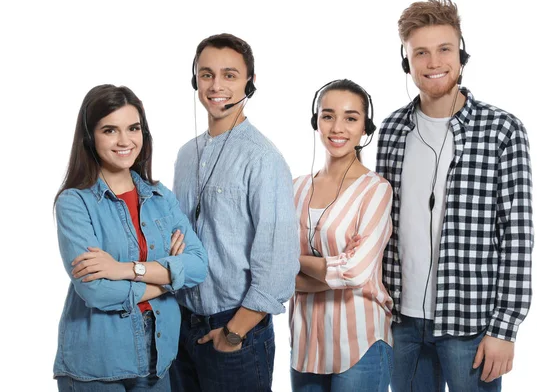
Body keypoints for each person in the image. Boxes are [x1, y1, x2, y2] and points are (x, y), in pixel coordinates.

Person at [376, 0, 534, 391]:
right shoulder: (393, 129)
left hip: (470, 324)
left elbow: (517, 236)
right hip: (401, 323)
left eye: (444, 49)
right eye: (421, 53)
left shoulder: (502, 130)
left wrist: (505, 328)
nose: (433, 63)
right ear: (406, 62)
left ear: (461, 54)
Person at [53, 84, 208, 391]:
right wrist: (168, 278)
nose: (125, 141)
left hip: (157, 359)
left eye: (133, 128)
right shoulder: (74, 203)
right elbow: (96, 290)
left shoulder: (161, 197)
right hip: (96, 363)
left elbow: (198, 265)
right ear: (90, 137)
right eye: (110, 130)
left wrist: (124, 269)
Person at [170, 33, 300, 392]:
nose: (216, 85)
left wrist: (233, 332)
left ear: (250, 82)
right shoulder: (185, 155)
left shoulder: (263, 159)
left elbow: (278, 263)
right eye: (206, 74)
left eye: (229, 74)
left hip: (235, 328)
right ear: (194, 79)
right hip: (182, 324)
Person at [290, 79, 394, 392]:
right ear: (316, 121)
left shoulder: (376, 190)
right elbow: (273, 269)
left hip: (360, 344)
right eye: (328, 116)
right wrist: (324, 270)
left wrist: (295, 263)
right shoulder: (294, 188)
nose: (338, 127)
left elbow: (355, 271)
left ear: (365, 128)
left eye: (350, 118)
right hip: (305, 346)